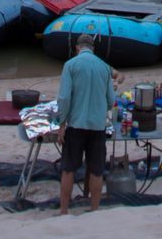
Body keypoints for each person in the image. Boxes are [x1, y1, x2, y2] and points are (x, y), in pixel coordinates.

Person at [55, 34, 117, 216]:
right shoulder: (105, 68)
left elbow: (64, 98)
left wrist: (61, 123)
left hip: (76, 124)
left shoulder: (70, 65)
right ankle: (95, 209)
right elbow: (110, 100)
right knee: (97, 169)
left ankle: (64, 210)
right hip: (97, 126)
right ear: (93, 49)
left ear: (77, 48)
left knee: (68, 168)